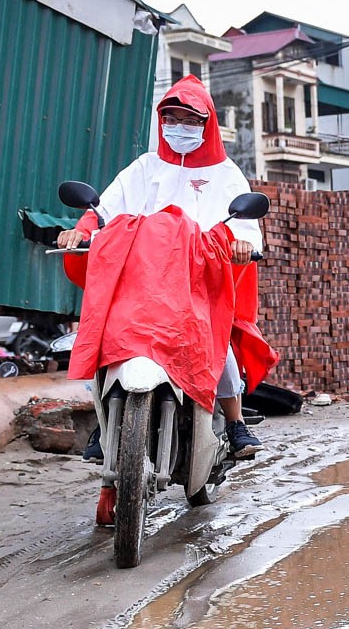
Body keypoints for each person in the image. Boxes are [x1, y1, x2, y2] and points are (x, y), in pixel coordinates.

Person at [58, 75, 267, 469]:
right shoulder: (145, 167)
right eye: (170, 118)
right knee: (106, 332)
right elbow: (105, 210)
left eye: (188, 119)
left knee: (215, 339)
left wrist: (242, 243)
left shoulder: (225, 173)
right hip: (141, 280)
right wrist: (81, 231)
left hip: (197, 281)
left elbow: (244, 226)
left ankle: (236, 423)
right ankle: (105, 422)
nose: (178, 127)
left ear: (206, 124)